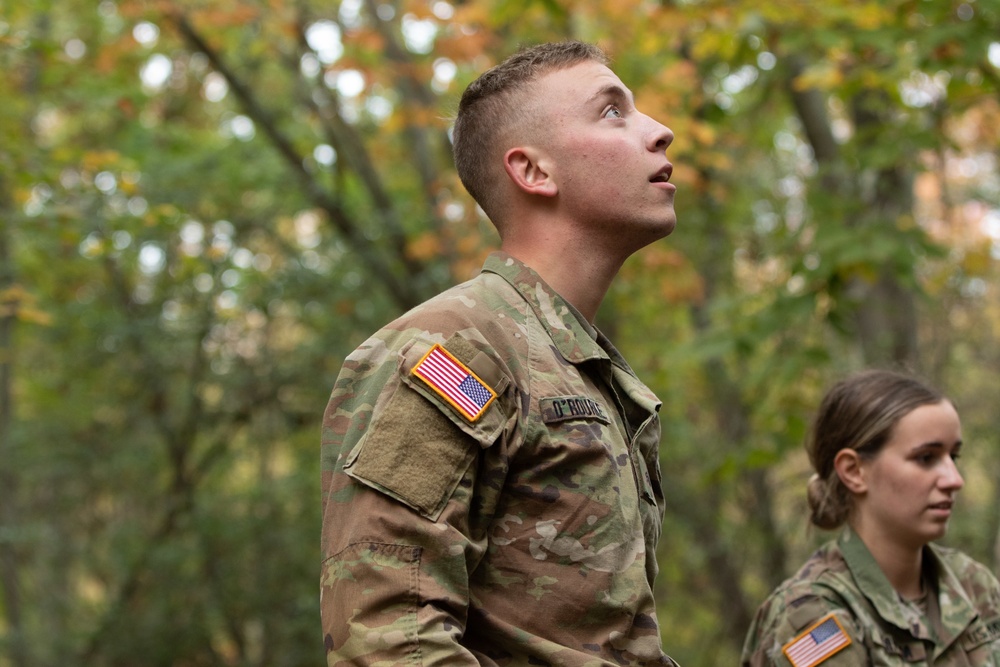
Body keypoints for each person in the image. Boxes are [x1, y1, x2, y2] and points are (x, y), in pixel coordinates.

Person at [319, 41, 680, 665]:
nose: (660, 132)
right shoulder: (452, 351)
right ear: (534, 171)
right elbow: (389, 638)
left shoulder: (578, 363)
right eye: (613, 112)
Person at [741, 369, 1000, 666]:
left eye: (953, 457)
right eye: (926, 458)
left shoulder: (973, 585)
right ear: (853, 471)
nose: (954, 479)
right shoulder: (815, 618)